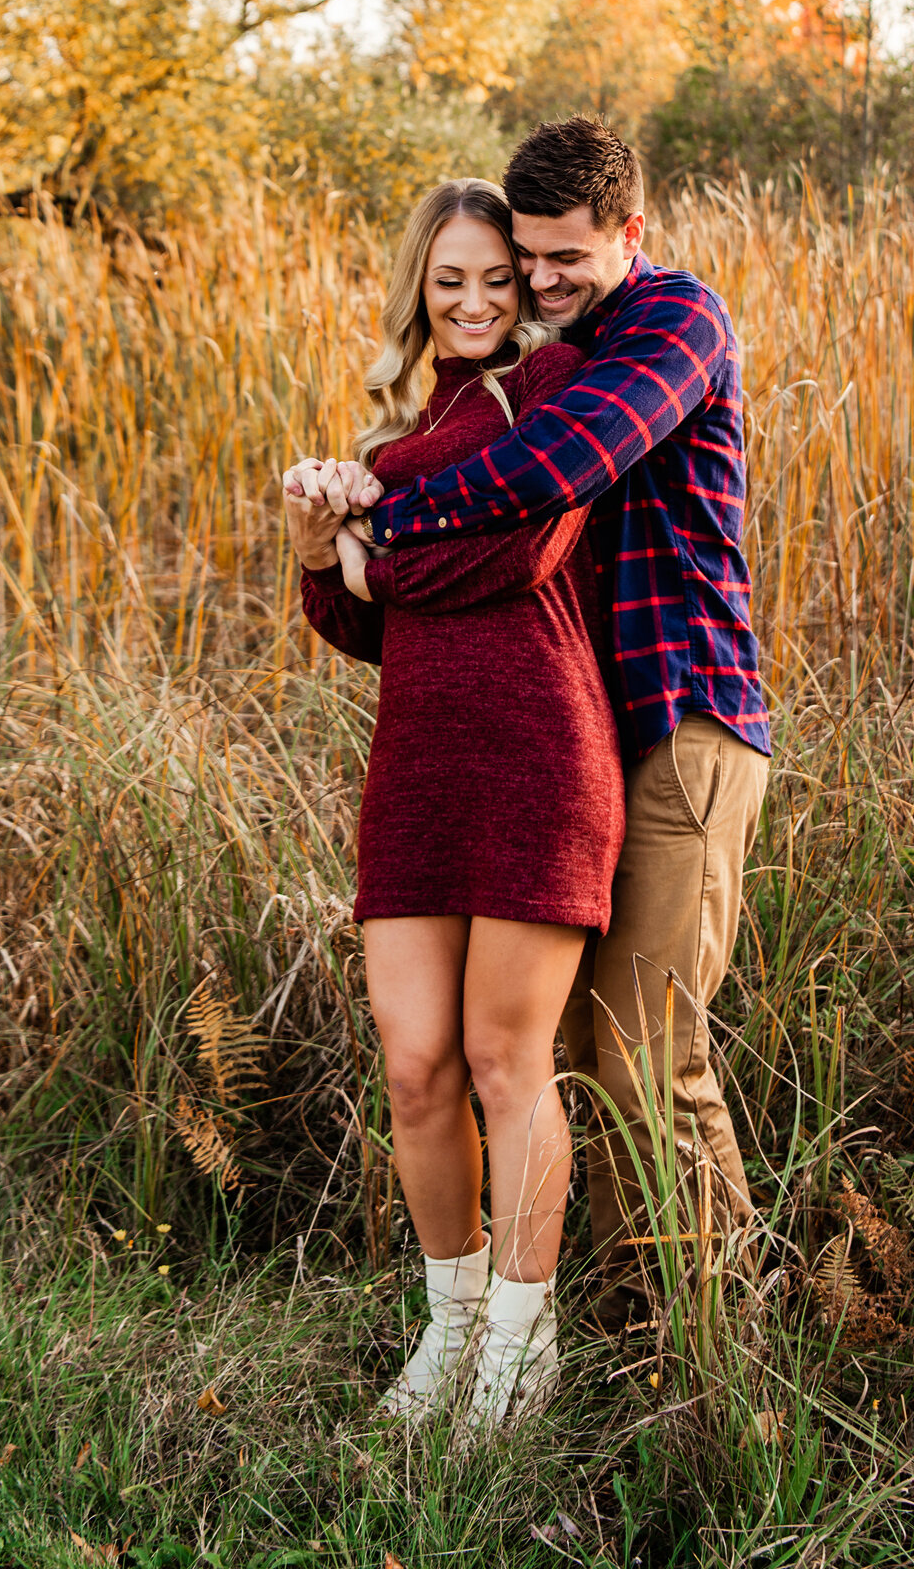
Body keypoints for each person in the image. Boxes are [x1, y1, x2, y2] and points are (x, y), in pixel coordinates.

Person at [288, 116, 771, 1326]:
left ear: (631, 232)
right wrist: (336, 534)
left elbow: (555, 474)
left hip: (684, 719)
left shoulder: (667, 327)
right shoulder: (543, 360)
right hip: (598, 723)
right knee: (584, 1059)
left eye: (559, 260)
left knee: (649, 1055)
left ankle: (725, 1351)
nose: (540, 284)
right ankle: (622, 1322)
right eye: (525, 261)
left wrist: (376, 531)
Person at [282, 177, 624, 1426]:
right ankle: (452, 1329)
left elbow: (517, 551)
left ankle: (523, 1355)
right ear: (419, 293)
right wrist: (325, 548)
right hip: (419, 772)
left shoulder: (554, 398)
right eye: (450, 280)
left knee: (501, 1056)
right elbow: (360, 626)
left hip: (540, 756)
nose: (476, 298)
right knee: (416, 1062)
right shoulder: (391, 440)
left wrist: (377, 540)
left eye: (495, 275)